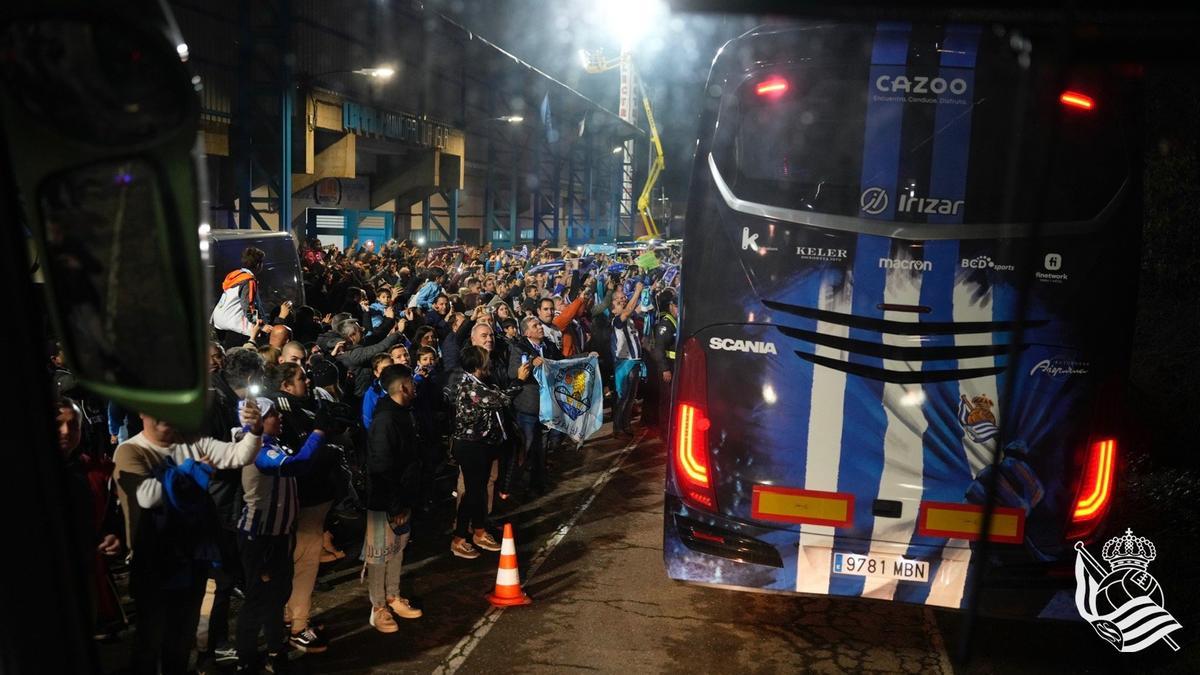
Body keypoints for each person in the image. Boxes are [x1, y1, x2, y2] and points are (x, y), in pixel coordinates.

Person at [112, 404, 263, 675]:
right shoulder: (130, 451)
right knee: (151, 641)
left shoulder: (191, 441)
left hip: (193, 560)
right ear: (142, 413)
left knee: (181, 638)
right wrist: (192, 470)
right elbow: (147, 496)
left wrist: (254, 430)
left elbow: (239, 455)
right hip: (155, 564)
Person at [235, 397, 329, 672]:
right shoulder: (255, 448)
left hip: (276, 535)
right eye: (272, 414)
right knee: (258, 599)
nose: (279, 417)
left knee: (277, 595)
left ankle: (277, 652)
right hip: (259, 537)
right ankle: (247, 659)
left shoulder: (270, 443)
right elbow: (295, 465)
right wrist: (318, 432)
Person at [57, 397, 125, 640]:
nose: (66, 432)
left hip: (87, 574)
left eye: (73, 425)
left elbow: (105, 518)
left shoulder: (91, 471)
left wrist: (112, 536)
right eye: (58, 424)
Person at [364, 365, 424, 633]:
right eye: (411, 382)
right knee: (379, 554)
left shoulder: (403, 413)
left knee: (397, 550)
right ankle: (378, 607)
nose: (414, 387)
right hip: (386, 500)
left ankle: (393, 595)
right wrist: (394, 505)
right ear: (402, 387)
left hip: (403, 495)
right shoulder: (386, 419)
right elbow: (381, 465)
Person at [507, 317, 562, 495]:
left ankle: (537, 483)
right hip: (528, 406)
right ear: (526, 332)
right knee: (527, 448)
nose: (540, 328)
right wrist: (531, 364)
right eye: (535, 326)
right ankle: (514, 487)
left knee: (541, 448)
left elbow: (562, 362)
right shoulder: (519, 348)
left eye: (539, 325)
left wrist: (586, 357)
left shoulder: (549, 346)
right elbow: (512, 372)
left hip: (546, 406)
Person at [212, 246, 267, 349]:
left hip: (219, 322)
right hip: (233, 326)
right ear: (258, 264)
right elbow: (249, 307)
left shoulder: (236, 275)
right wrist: (259, 324)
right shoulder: (248, 280)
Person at [611, 280, 646, 439]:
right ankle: (617, 428)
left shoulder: (629, 318)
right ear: (613, 309)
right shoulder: (617, 321)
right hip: (625, 364)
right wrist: (637, 291)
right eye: (619, 302)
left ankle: (625, 425)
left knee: (631, 398)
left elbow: (638, 307)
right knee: (623, 398)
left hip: (635, 362)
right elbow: (630, 308)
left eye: (623, 299)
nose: (623, 302)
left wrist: (648, 290)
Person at [645, 289, 679, 434]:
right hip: (667, 367)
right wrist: (665, 369)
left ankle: (670, 424)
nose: (678, 310)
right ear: (671, 306)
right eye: (677, 307)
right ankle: (665, 429)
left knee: (672, 397)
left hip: (674, 365)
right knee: (666, 399)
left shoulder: (675, 322)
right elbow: (659, 349)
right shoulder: (666, 325)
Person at [361, 353, 394, 429]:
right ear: (376, 373)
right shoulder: (371, 394)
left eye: (391, 367)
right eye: (384, 369)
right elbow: (368, 422)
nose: (388, 371)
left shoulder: (401, 386)